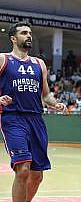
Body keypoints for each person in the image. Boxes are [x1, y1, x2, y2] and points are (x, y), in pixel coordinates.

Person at [0, 21, 66, 202]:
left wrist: (56, 103)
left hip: (36, 119)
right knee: (22, 170)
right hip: (12, 118)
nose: (28, 35)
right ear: (13, 38)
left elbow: (46, 96)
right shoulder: (3, 59)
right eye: (23, 33)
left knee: (37, 176)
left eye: (29, 33)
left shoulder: (39, 64)